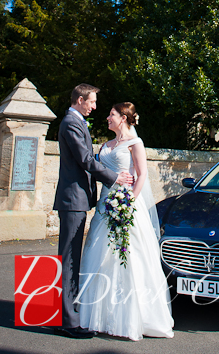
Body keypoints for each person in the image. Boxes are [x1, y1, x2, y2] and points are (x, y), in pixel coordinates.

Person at [77, 102, 174, 341]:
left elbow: (141, 176)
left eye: (111, 114)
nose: (107, 118)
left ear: (123, 118)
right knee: (99, 256)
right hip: (104, 206)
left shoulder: (135, 143)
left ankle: (132, 317)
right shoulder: (106, 145)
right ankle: (97, 316)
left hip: (126, 204)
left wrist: (128, 201)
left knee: (130, 258)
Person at [53, 84, 133, 339]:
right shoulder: (70, 123)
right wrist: (115, 178)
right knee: (69, 260)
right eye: (92, 101)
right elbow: (86, 161)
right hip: (72, 200)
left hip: (77, 200)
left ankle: (69, 313)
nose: (95, 107)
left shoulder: (76, 122)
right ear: (79, 100)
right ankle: (68, 322)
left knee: (73, 258)